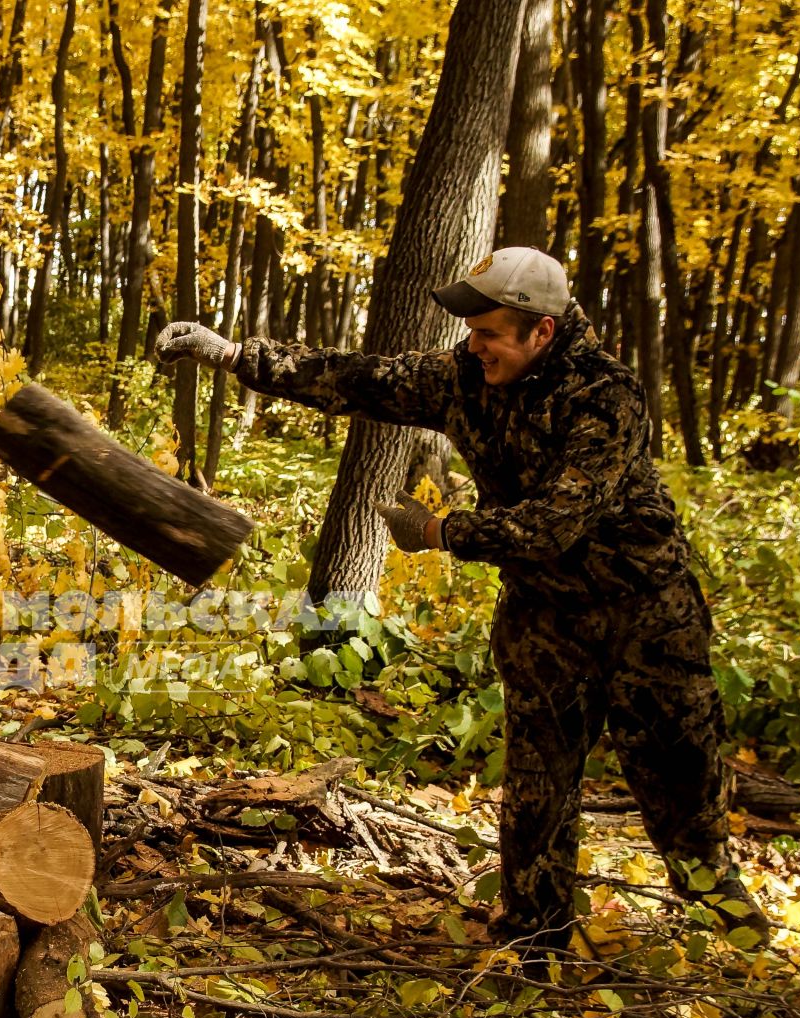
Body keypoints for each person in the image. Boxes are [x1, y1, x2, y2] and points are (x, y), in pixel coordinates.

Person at [155, 247, 769, 950]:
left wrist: (440, 531)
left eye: (490, 334)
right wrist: (230, 353)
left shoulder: (606, 397)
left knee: (682, 790)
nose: (473, 347)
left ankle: (738, 950)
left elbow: (553, 524)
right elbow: (360, 378)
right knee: (537, 792)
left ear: (541, 332)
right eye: (471, 332)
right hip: (544, 617)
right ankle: (534, 945)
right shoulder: (464, 376)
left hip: (645, 614)